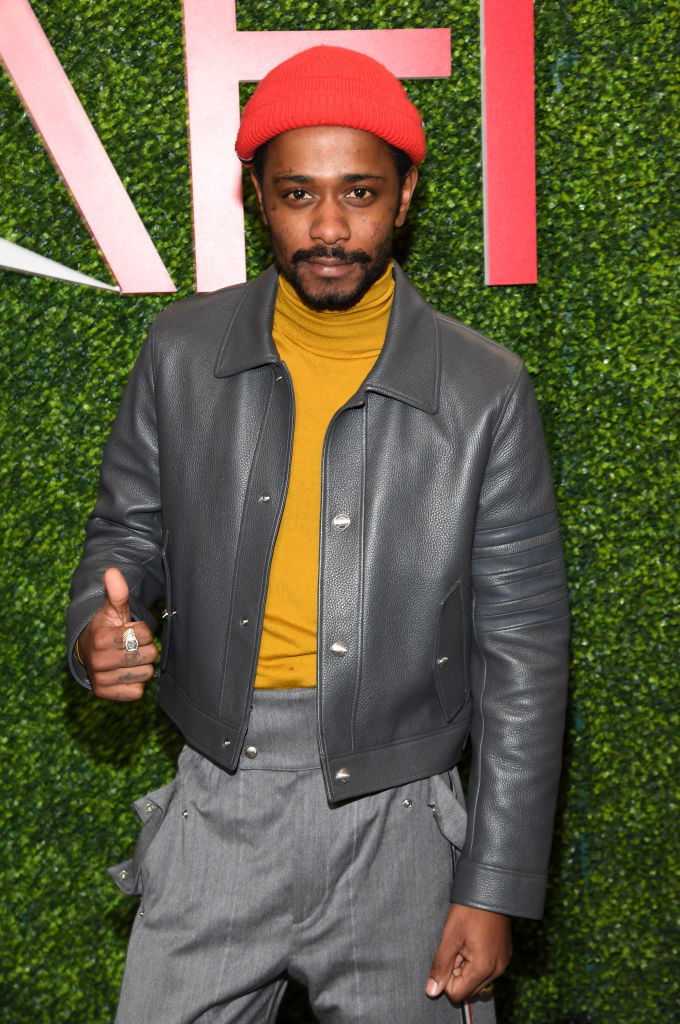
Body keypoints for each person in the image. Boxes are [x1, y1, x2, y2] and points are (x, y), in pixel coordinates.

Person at [66, 45, 569, 1024]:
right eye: (298, 193)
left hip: (406, 816)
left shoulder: (484, 390)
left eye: (359, 193)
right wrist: (99, 627)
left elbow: (522, 656)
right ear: (255, 192)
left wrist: (494, 880)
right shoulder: (179, 352)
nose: (329, 226)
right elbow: (124, 536)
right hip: (218, 794)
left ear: (406, 195)